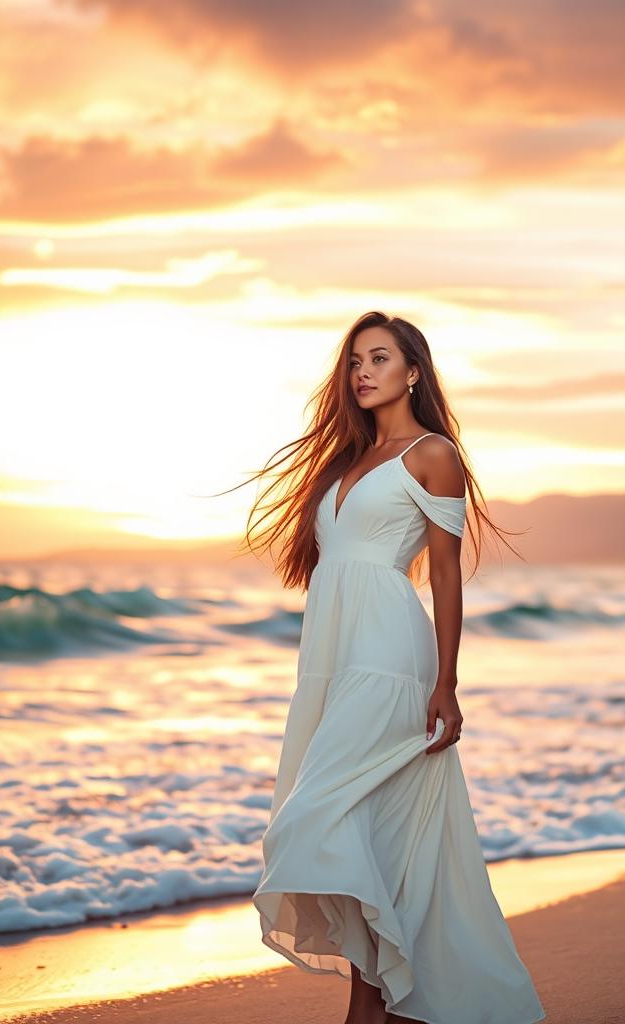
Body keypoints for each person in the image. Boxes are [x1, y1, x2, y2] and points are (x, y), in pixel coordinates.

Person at [243, 311, 546, 1024]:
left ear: (413, 370)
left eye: (378, 358)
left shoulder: (431, 454)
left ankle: (373, 1006)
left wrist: (447, 682)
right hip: (330, 658)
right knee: (363, 831)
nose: (363, 372)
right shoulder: (344, 462)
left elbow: (444, 574)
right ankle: (376, 1003)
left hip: (389, 656)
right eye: (354, 361)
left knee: (315, 820)